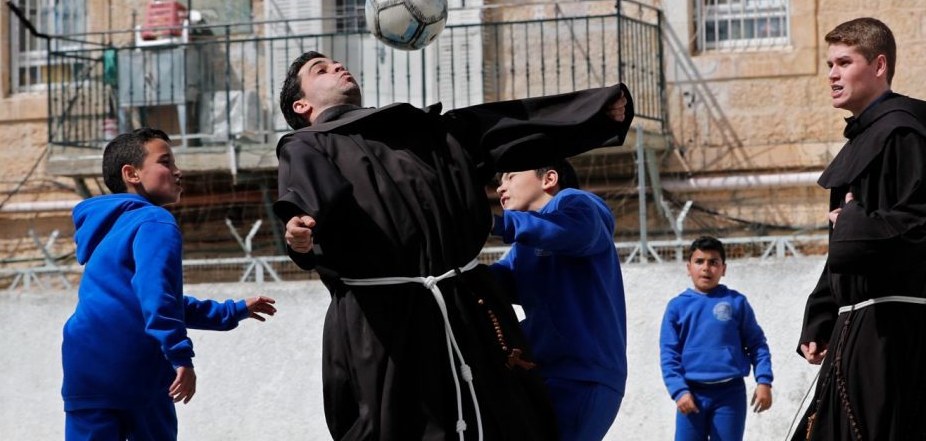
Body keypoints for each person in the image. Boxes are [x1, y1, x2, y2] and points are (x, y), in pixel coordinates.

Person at [274, 50, 632, 441]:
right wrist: (299, 231)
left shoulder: (418, 131)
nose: (339, 67)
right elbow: (306, 200)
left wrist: (593, 113)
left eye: (337, 62)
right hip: (383, 329)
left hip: (467, 318)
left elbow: (498, 127)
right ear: (302, 104)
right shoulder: (305, 144)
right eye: (320, 70)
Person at [62, 128, 277, 441]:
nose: (177, 170)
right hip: (134, 368)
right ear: (131, 173)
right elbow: (157, 296)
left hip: (84, 368)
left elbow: (143, 299)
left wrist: (229, 311)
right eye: (165, 162)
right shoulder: (155, 221)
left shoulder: (107, 227)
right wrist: (180, 357)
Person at [792, 17, 926, 441]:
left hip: (894, 333)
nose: (831, 74)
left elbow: (916, 225)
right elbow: (844, 246)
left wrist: (851, 223)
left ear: (879, 65)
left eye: (844, 62)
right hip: (857, 326)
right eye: (829, 64)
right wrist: (821, 313)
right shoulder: (865, 139)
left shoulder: (903, 133)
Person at [488, 158, 627, 441]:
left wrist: (495, 224)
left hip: (582, 377)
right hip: (544, 374)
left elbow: (578, 230)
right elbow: (498, 281)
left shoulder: (577, 203)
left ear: (549, 179)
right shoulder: (526, 244)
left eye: (511, 175)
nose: (501, 187)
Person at [660, 236, 773, 441]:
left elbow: (757, 344)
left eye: (713, 262)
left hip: (730, 394)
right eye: (699, 261)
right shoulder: (677, 307)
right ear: (688, 267)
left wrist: (764, 381)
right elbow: (669, 355)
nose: (706, 268)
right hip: (691, 394)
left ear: (723, 269)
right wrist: (678, 391)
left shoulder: (736, 302)